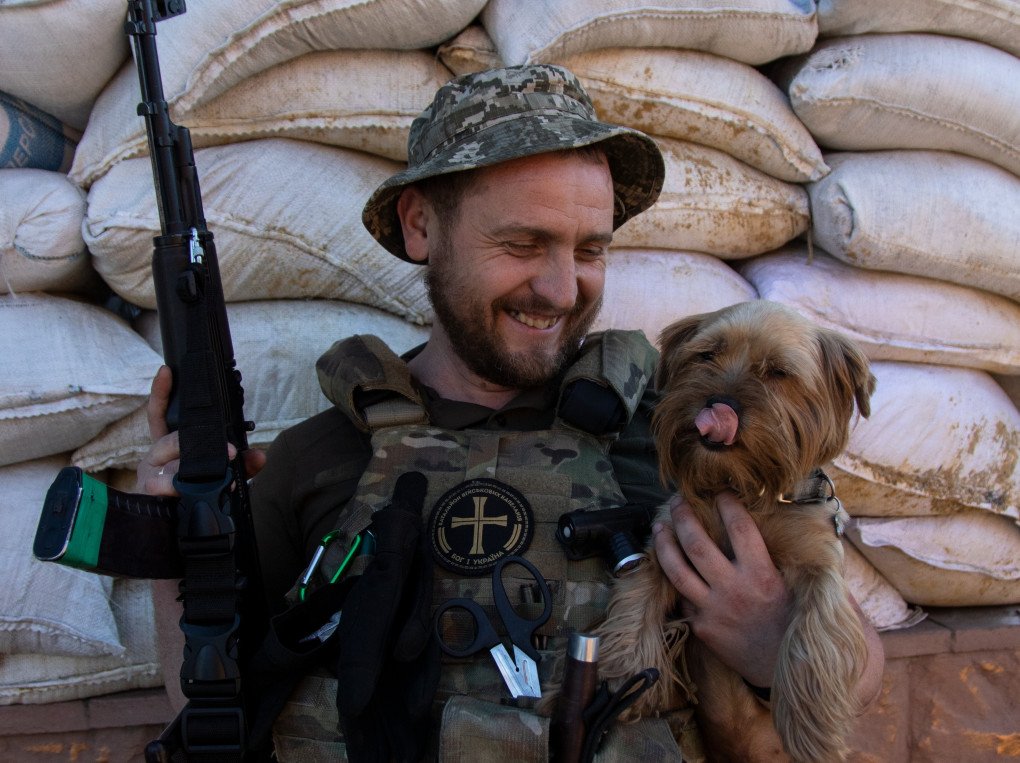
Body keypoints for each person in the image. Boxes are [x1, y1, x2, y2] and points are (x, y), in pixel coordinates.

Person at [139, 64, 883, 761]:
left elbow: (855, 653)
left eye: (589, 249)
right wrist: (182, 538)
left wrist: (771, 641)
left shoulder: (677, 431)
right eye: (524, 243)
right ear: (422, 225)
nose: (561, 289)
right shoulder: (316, 456)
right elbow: (205, 693)